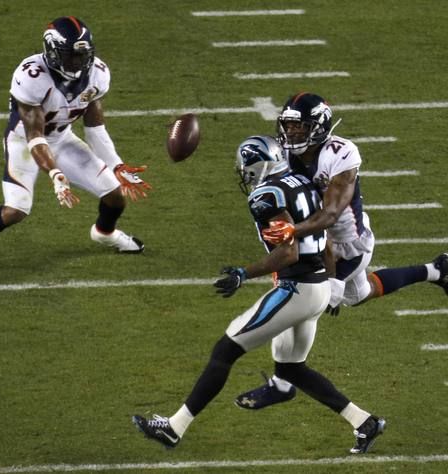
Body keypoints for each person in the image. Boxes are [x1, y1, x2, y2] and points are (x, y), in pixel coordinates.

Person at [132, 135, 385, 454]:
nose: (242, 172)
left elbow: (288, 253)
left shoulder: (266, 195)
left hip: (298, 288)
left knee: (225, 350)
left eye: (245, 167)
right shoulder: (303, 182)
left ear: (258, 165)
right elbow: (327, 242)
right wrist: (332, 284)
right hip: (318, 286)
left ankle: (174, 427)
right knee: (291, 368)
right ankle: (365, 422)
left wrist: (243, 273)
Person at [234, 93, 448, 410]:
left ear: (319, 127)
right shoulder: (284, 152)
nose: (292, 134)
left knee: (296, 300)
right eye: (288, 126)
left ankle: (282, 384)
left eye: (300, 128)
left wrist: (296, 235)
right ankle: (436, 270)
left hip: (347, 245)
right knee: (359, 294)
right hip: (320, 242)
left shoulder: (340, 154)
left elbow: (330, 216)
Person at [0, 16, 149, 271]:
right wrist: (54, 172)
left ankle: (104, 233)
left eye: (82, 55)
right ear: (53, 52)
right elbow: (34, 135)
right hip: (24, 142)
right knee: (16, 209)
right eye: (71, 55)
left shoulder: (97, 74)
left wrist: (117, 165)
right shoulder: (31, 75)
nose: (78, 62)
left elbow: (94, 126)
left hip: (61, 138)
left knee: (115, 196)